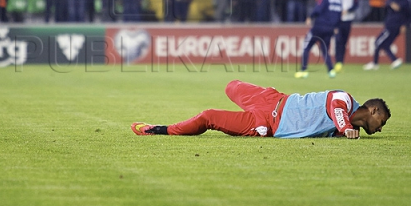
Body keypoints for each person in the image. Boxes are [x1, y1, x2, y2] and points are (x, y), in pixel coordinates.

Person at [131, 80, 390, 140]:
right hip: (272, 98)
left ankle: (159, 130)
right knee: (231, 86)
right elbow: (335, 109)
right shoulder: (344, 100)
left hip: (267, 122)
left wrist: (344, 130)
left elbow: (331, 125)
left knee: (209, 116)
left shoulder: (341, 130)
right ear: (373, 109)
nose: (381, 128)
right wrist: (346, 128)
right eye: (382, 121)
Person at [296, 0, 343, 79]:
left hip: (319, 26)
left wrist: (310, 17)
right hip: (330, 28)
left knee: (306, 46)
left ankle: (303, 70)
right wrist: (336, 26)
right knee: (325, 50)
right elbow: (339, 15)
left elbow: (319, 8)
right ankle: (331, 71)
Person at [363, 0, 411, 71]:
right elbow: (387, 1)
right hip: (390, 24)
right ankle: (394, 60)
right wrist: (392, 4)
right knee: (385, 44)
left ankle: (375, 63)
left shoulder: (406, 0)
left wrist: (406, 25)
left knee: (377, 42)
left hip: (394, 26)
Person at [334, 0, 359, 71]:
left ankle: (341, 61)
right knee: (338, 40)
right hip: (338, 20)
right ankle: (338, 61)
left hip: (348, 19)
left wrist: (347, 10)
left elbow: (356, 4)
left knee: (344, 41)